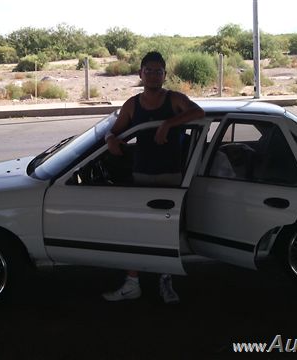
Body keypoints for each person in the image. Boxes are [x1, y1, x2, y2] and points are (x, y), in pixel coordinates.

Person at [102, 51, 205, 304]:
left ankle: (165, 282)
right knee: (137, 230)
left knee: (166, 232)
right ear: (140, 73)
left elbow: (198, 112)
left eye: (158, 71)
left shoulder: (175, 100)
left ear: (164, 75)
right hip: (142, 176)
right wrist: (111, 140)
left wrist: (168, 124)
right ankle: (132, 284)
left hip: (170, 176)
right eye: (148, 70)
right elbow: (113, 132)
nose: (153, 74)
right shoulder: (132, 104)